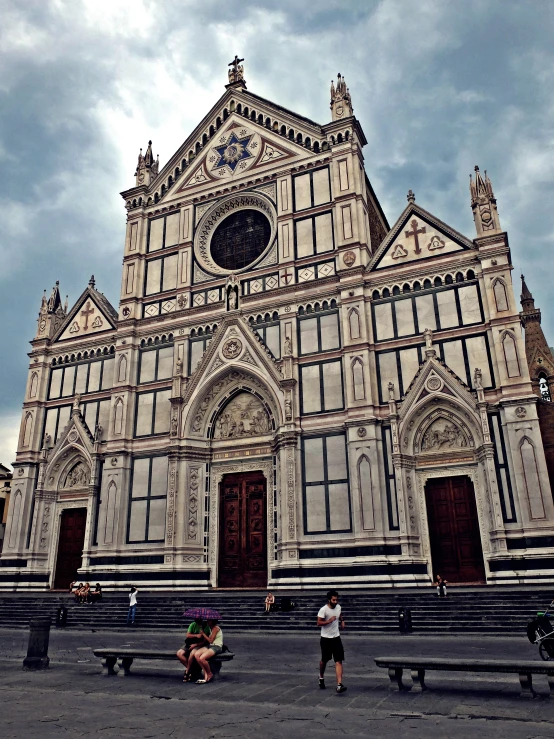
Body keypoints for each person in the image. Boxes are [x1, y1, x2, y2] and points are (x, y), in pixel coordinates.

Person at [317, 589, 347, 693]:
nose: (335, 602)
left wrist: (342, 621)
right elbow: (318, 623)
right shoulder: (323, 610)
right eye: (333, 600)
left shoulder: (338, 607)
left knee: (338, 660)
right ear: (329, 600)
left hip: (336, 638)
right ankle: (321, 676)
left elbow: (340, 614)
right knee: (324, 660)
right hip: (326, 639)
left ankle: (339, 684)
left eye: (336, 600)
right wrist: (329, 621)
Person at [188, 618, 223, 684]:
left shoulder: (216, 628)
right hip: (210, 646)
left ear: (212, 621)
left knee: (202, 658)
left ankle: (209, 673)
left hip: (216, 646)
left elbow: (210, 640)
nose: (207, 621)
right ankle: (206, 672)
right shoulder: (210, 628)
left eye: (209, 620)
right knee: (197, 654)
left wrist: (203, 634)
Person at [176, 617, 211, 681]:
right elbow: (187, 635)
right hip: (190, 642)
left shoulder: (206, 626)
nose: (198, 622)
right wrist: (196, 635)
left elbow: (206, 641)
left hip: (200, 644)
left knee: (193, 653)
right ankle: (192, 670)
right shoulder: (193, 624)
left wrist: (196, 644)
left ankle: (188, 671)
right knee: (179, 653)